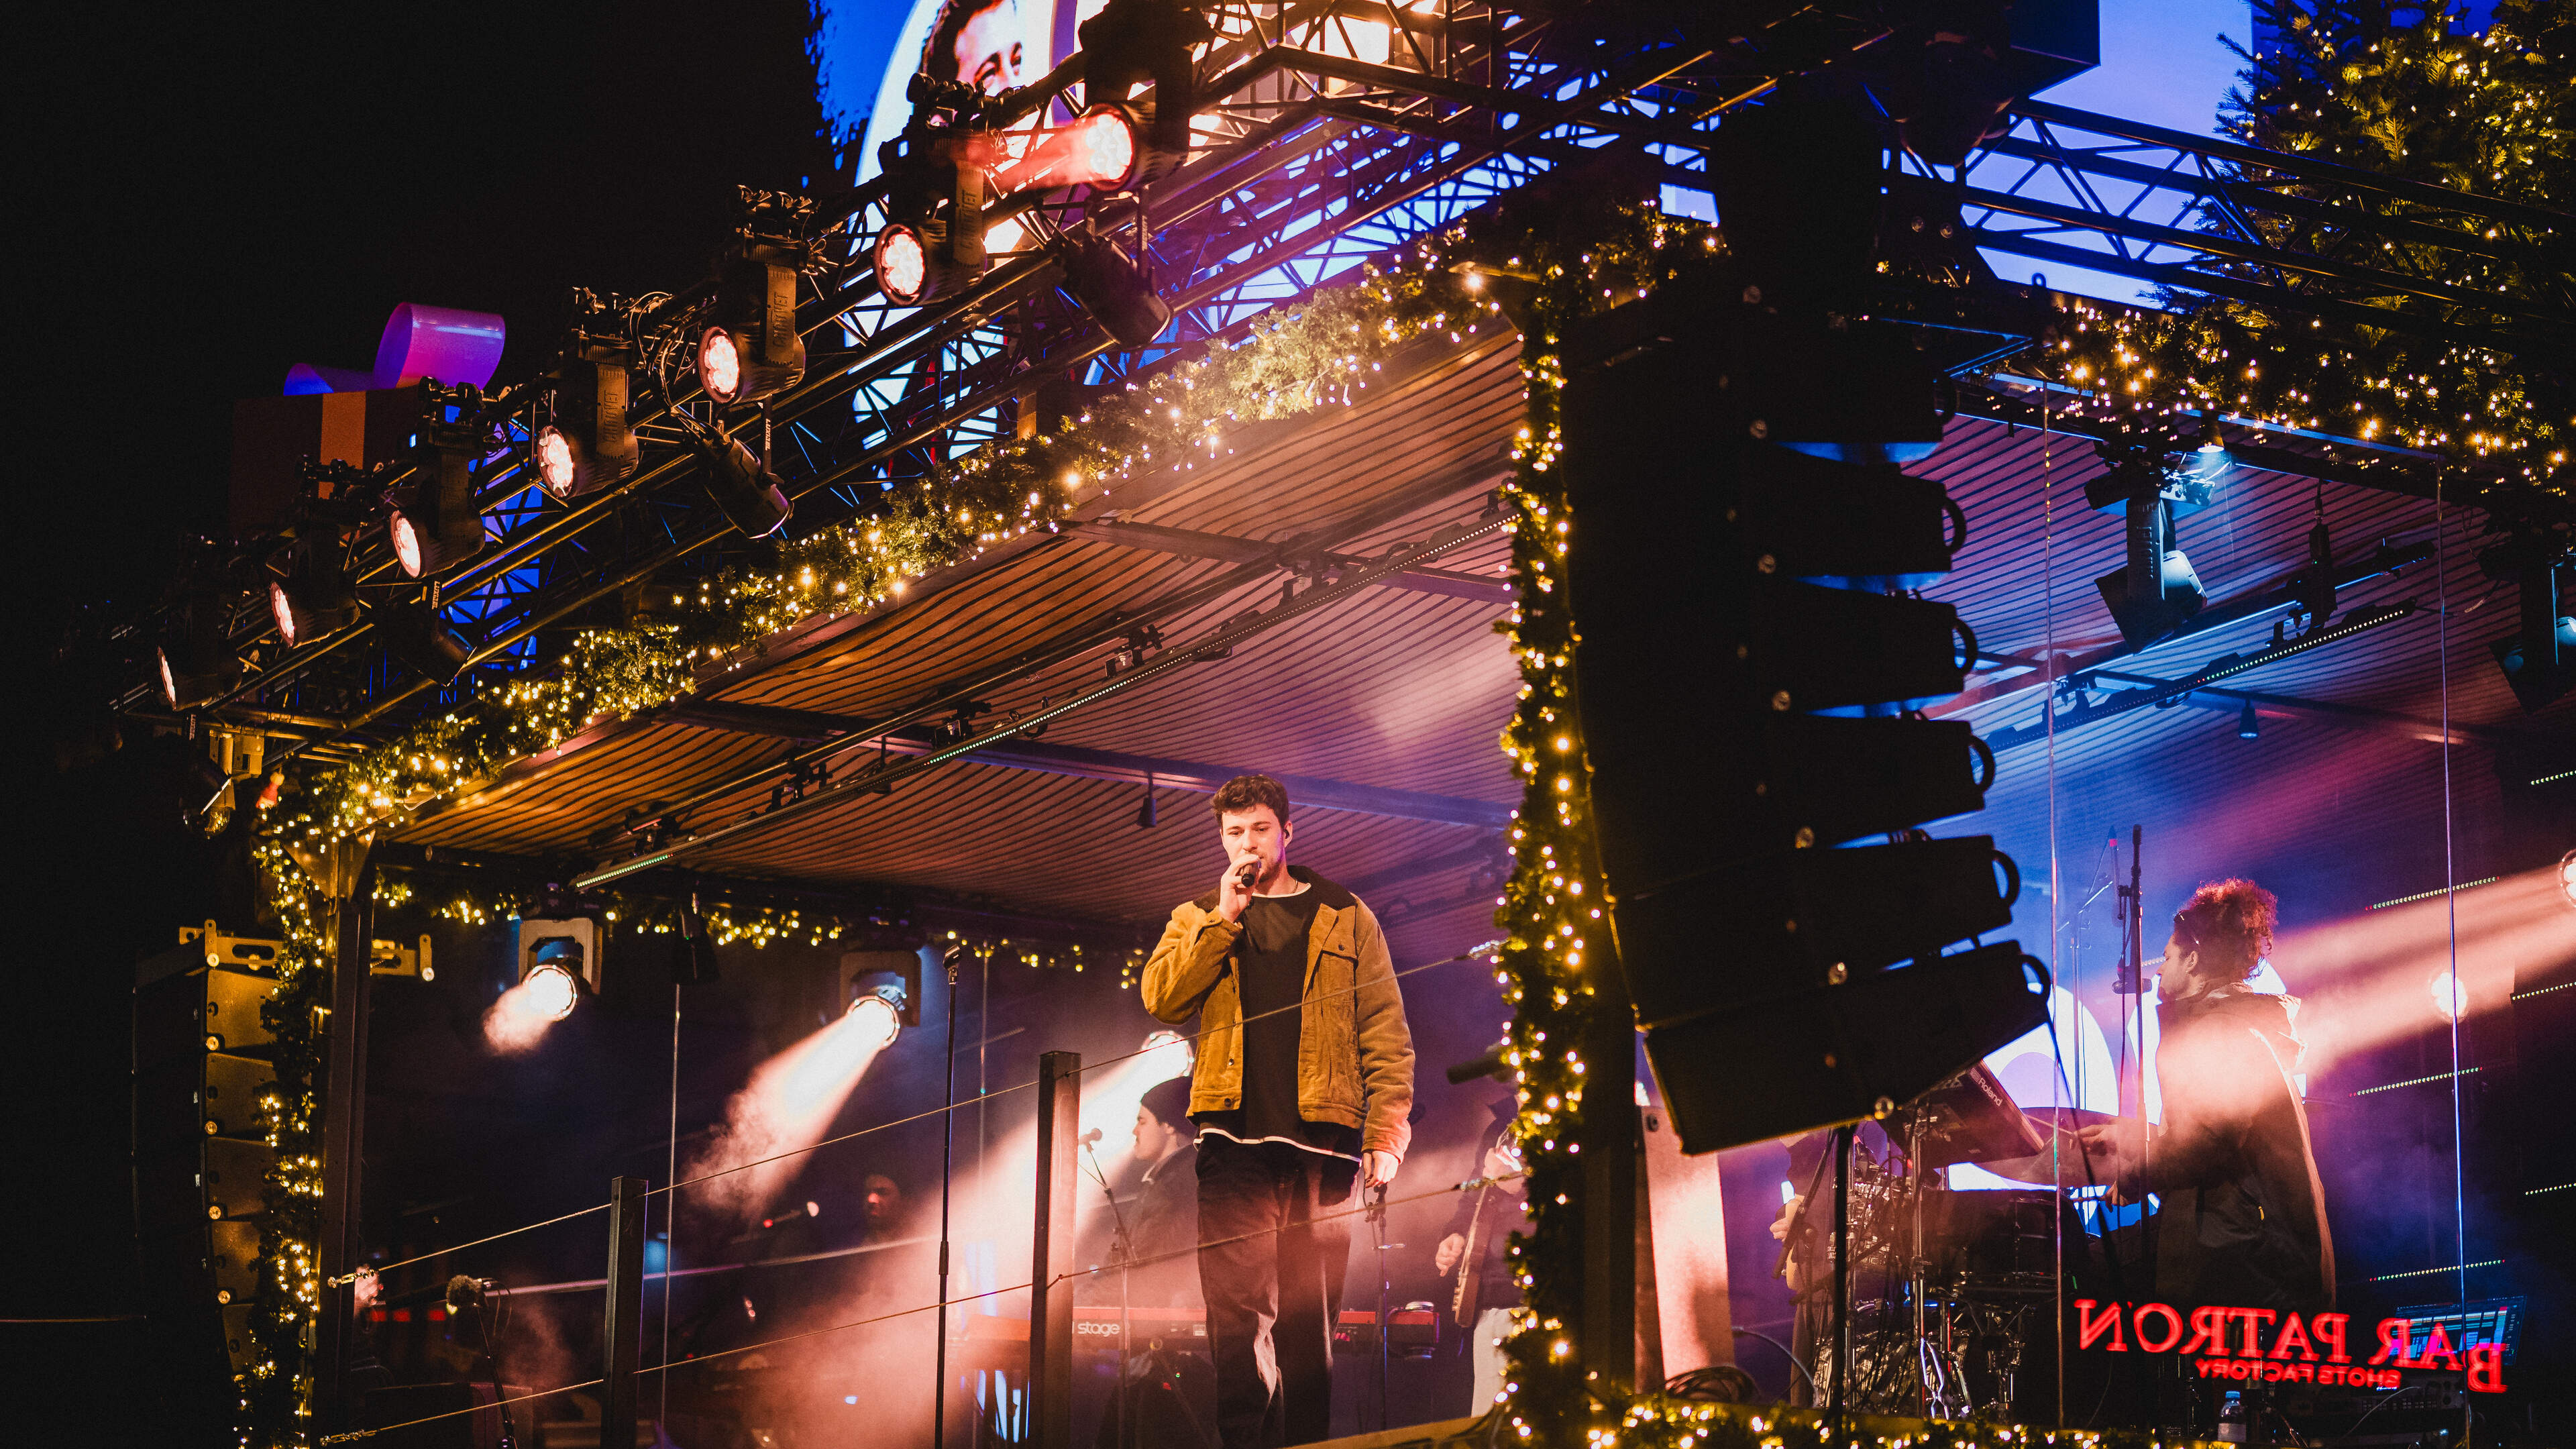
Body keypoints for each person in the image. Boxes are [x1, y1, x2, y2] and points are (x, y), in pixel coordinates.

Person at [1142, 773, 1417, 1449]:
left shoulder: (1345, 915)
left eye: (1259, 829)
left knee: (1308, 1334)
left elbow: (1386, 1033)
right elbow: (1163, 1000)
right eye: (1234, 833)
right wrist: (1222, 921)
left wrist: (1386, 1135)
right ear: (1221, 840)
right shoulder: (1197, 916)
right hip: (1232, 1147)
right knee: (1238, 1329)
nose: (1248, 844)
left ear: (1287, 833)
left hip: (1323, 1149)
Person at [2080, 879, 2335, 1314]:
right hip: (2246, 1253)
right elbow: (2213, 1142)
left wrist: (2135, 1165)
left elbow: (2201, 1149)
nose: (2159, 971)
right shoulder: (2227, 1026)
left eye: (2167, 958)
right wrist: (2138, 1147)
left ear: (2194, 960)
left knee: (2082, 1278)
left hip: (2251, 1268)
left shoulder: (2219, 1032)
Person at [1432, 1096, 1525, 1419]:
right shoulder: (1499, 1128)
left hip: (1535, 1300)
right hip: (1487, 1302)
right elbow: (1473, 1193)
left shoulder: (1570, 1122)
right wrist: (1456, 1233)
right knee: (1488, 1423)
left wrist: (1518, 1184)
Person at [1124, 1075, 1203, 1307]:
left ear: (1168, 1126)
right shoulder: (1168, 1180)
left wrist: (1083, 1303)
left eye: (1142, 1122)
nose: (1135, 1131)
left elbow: (1142, 1269)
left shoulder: (1175, 1187)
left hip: (1151, 1310)